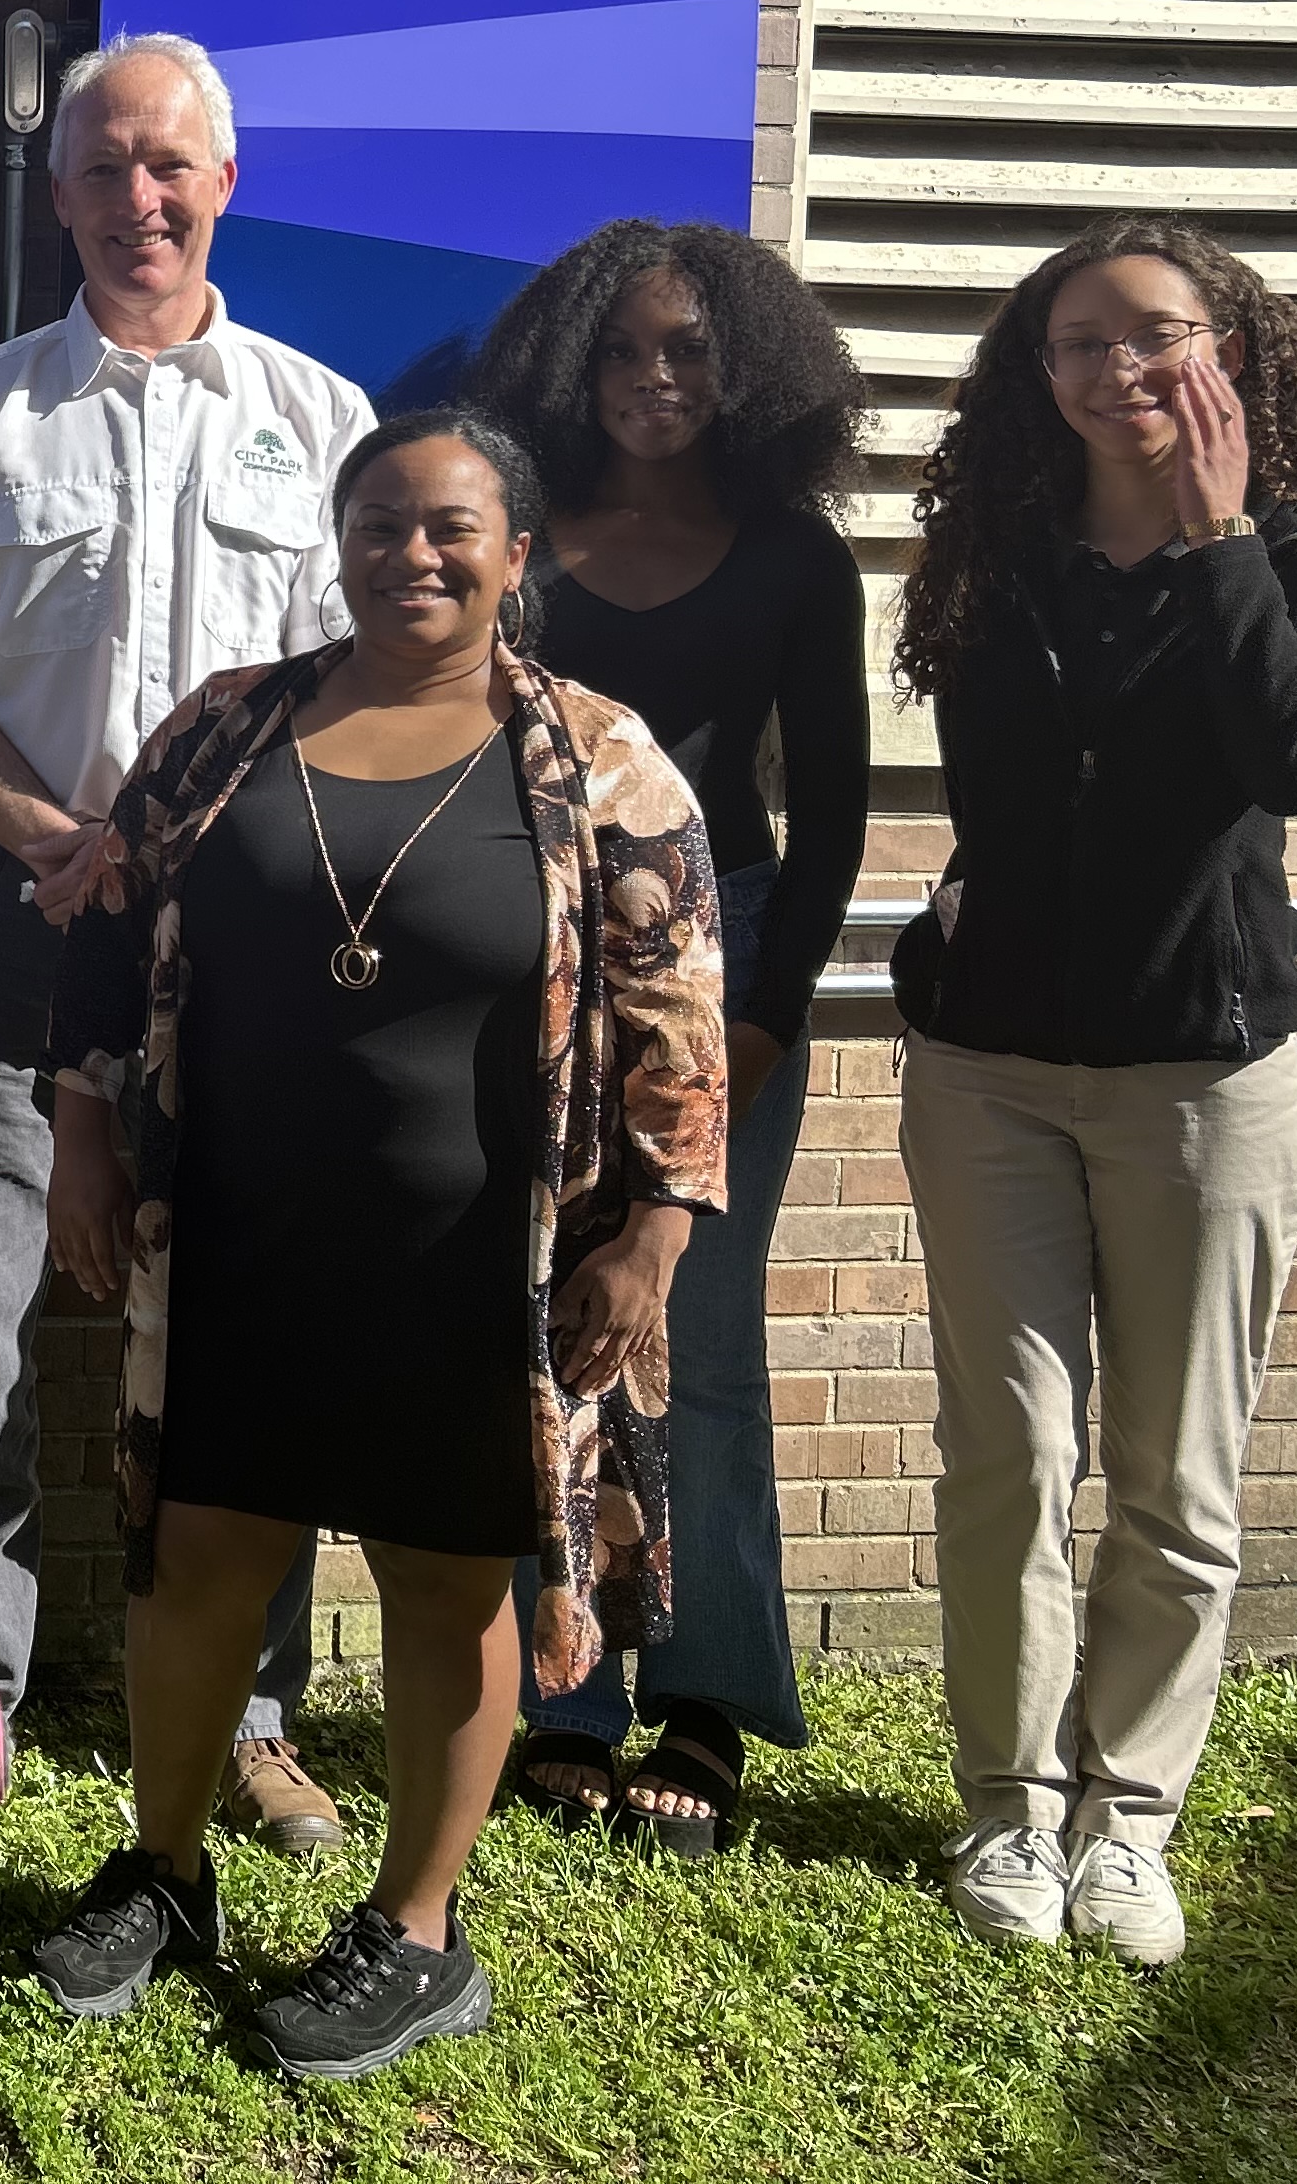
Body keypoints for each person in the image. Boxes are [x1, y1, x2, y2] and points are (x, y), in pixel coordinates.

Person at [30, 411, 726, 2079]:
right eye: (380, 523)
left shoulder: (597, 755)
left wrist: (654, 1244)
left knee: (442, 1569)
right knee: (197, 1550)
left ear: (517, 549)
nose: (413, 553)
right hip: (239, 1233)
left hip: (479, 1255)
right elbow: (106, 928)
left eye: (453, 526)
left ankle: (418, 1926)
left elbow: (677, 1017)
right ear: (332, 540)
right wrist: (78, 1129)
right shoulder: (228, 727)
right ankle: (167, 1868)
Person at [0, 31, 375, 1853]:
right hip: (13, 902)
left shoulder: (319, 417)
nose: (138, 196)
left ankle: (248, 1710)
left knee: (248, 1329)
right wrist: (45, 833)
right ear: (53, 192)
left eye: (169, 164)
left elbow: (364, 690)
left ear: (225, 181)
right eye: (103, 164)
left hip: (248, 941)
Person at [887, 219, 1297, 1965]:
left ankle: (1127, 1821)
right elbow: (1006, 798)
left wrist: (1213, 538)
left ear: (1233, 348)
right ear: (1034, 377)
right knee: (1005, 1456)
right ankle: (1007, 1809)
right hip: (992, 1072)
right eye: (1077, 345)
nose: (1117, 371)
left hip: (1208, 1078)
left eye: (1154, 335)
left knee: (1176, 1477)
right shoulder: (1000, 552)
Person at [469, 221, 867, 1856]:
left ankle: (702, 1701)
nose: (656, 377)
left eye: (692, 351)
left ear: (745, 369)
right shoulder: (523, 541)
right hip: (537, 963)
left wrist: (758, 1029)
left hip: (728, 965)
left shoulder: (794, 560)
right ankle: (562, 1685)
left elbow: (833, 817)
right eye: (627, 349)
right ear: (577, 362)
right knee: (542, 1326)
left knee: (694, 1341)